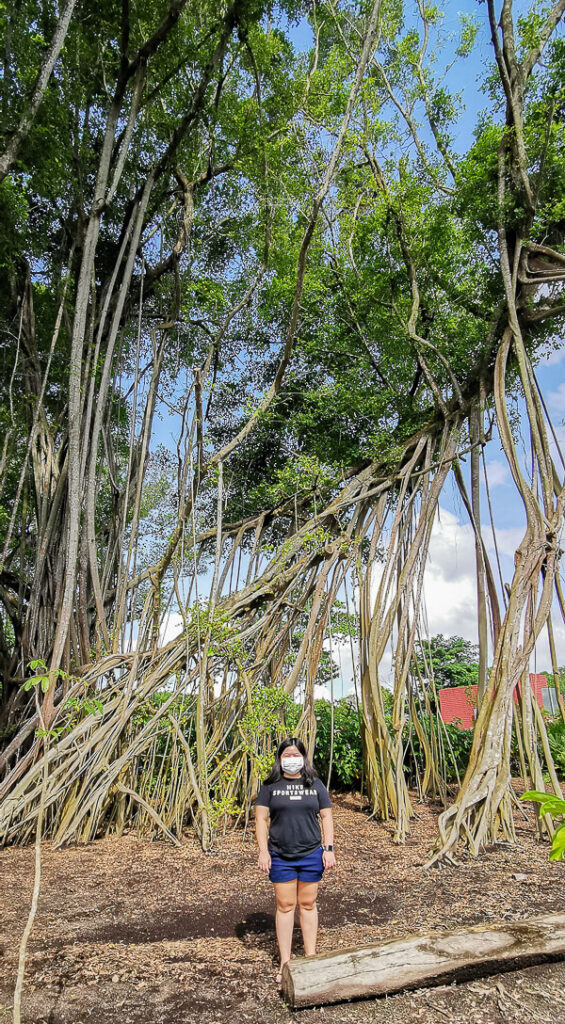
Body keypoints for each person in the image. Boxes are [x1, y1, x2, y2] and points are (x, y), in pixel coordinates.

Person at [254, 737, 336, 985]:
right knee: (286, 906)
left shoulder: (315, 784)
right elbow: (260, 820)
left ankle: (310, 958)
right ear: (280, 759)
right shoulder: (270, 787)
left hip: (311, 853)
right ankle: (285, 962)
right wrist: (263, 851)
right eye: (286, 755)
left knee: (308, 904)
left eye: (295, 754)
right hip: (280, 855)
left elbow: (327, 817)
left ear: (303, 757)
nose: (291, 759)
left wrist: (328, 848)